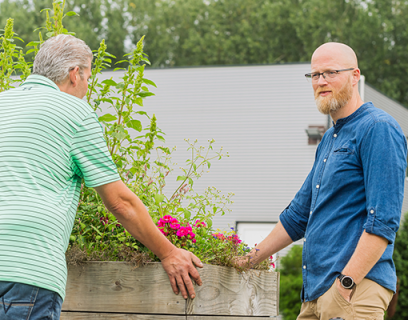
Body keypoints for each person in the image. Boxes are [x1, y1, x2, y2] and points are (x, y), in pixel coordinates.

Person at [0, 34, 202, 320]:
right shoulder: (74, 112)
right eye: (88, 78)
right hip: (28, 273)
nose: (86, 88)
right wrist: (169, 252)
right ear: (75, 74)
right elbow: (120, 203)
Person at [239, 42, 407, 319]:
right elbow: (298, 216)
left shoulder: (378, 128)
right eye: (315, 75)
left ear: (355, 76)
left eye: (331, 72)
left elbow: (383, 221)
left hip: (354, 290)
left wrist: (346, 284)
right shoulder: (330, 139)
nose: (321, 81)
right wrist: (246, 260)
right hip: (317, 294)